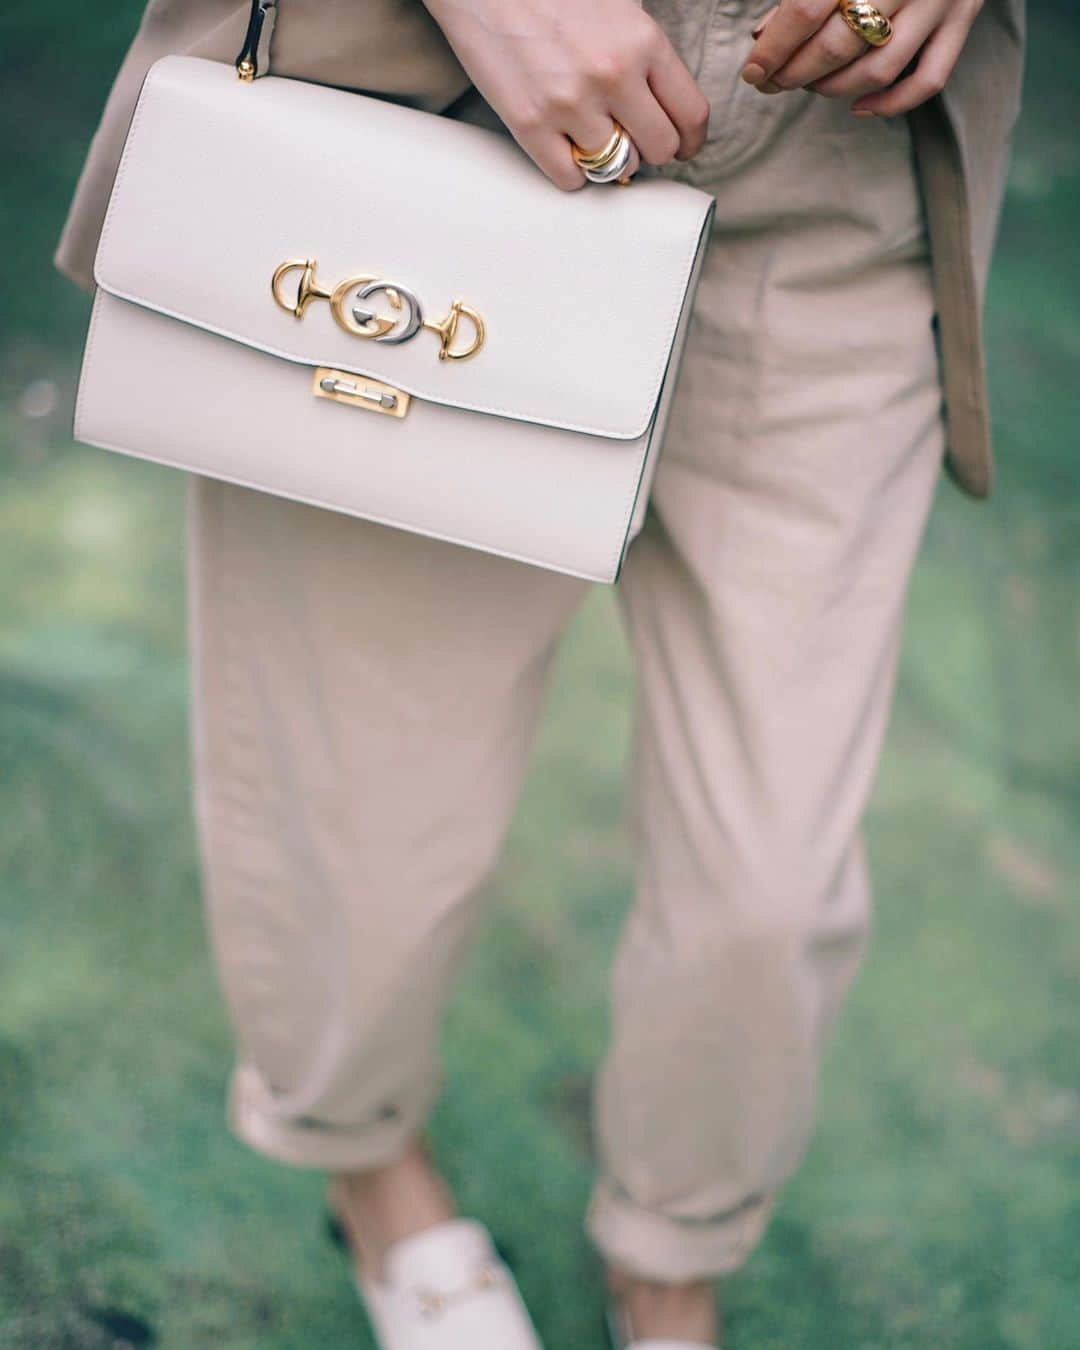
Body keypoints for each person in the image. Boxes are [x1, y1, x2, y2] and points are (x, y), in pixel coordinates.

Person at [57, 1, 1024, 1345]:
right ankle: (375, 1173)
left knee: (769, 881)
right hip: (433, 109)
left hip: (839, 165)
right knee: (360, 811)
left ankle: (673, 1253)